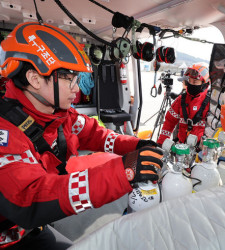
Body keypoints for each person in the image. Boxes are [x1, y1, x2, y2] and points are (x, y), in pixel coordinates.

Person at [0, 22, 163, 249]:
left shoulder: (59, 115)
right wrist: (124, 171)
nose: (77, 89)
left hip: (29, 231)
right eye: (69, 78)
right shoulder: (5, 132)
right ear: (35, 79)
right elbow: (30, 199)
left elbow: (99, 135)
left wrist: (139, 145)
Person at [157, 63, 210, 146]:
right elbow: (169, 122)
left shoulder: (210, 103)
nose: (191, 84)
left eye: (195, 82)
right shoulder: (181, 99)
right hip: (181, 148)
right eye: (190, 81)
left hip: (202, 151)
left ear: (204, 83)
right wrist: (161, 143)